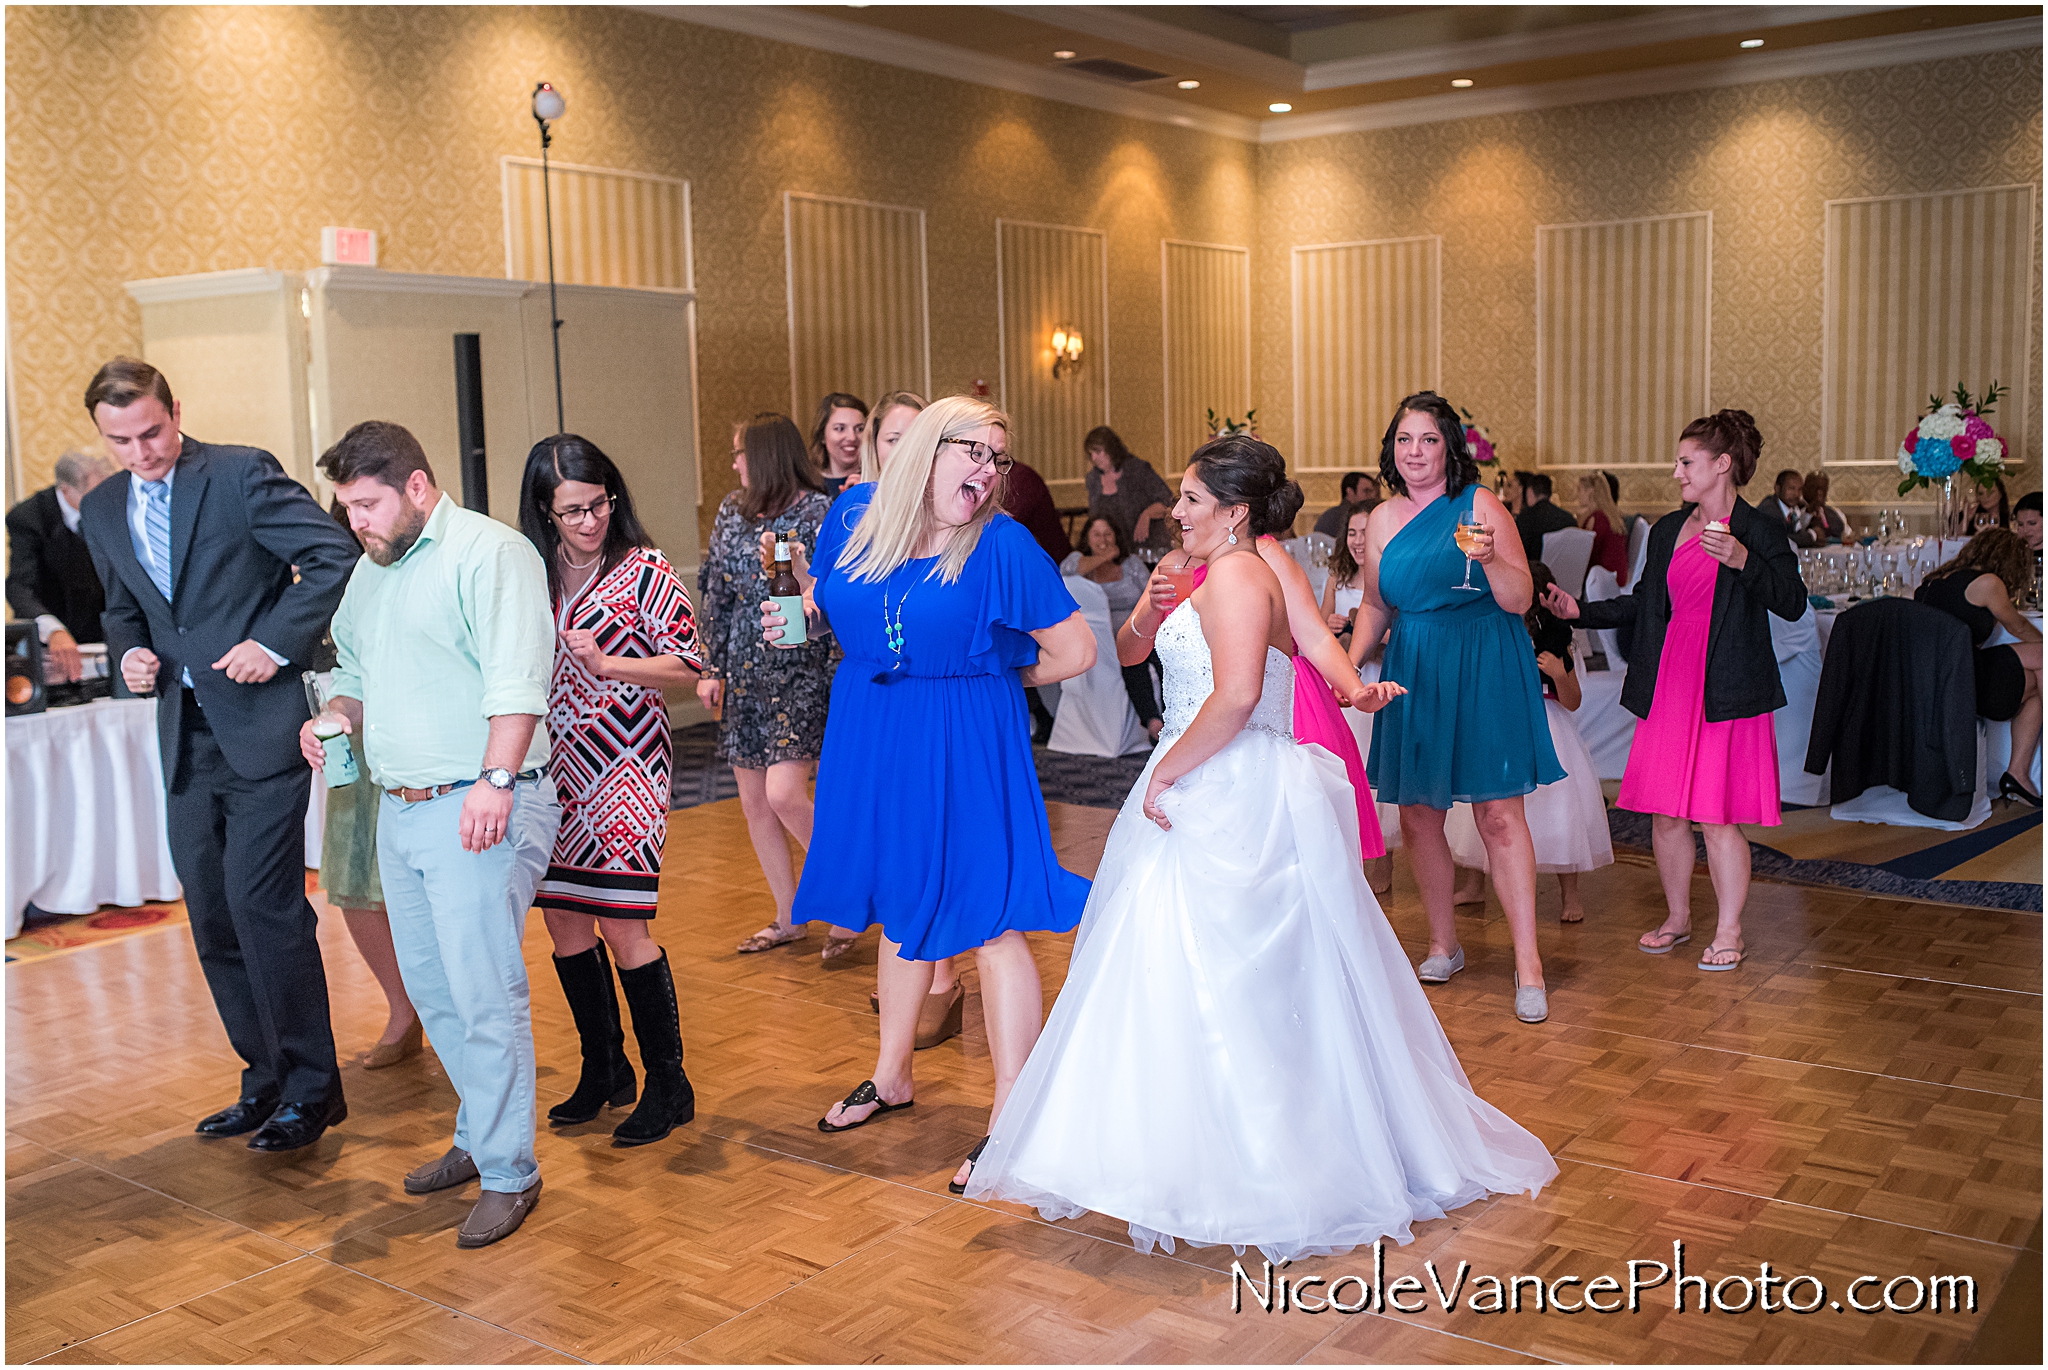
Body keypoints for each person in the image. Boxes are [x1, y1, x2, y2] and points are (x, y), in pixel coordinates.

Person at [966, 435, 1555, 1260]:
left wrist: (1167, 772)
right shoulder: (1193, 566)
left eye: (1193, 499)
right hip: (1197, 775)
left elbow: (1242, 694)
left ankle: (1257, 1163)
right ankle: (1174, 1156)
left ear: (1235, 512)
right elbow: (1139, 651)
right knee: (1167, 974)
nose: (1177, 511)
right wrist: (1150, 606)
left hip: (1227, 785)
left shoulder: (1246, 572)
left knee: (1233, 978)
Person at [763, 395, 1096, 1192]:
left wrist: (993, 674)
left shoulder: (1002, 544)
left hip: (966, 730)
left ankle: (1013, 1112)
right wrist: (803, 624)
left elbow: (1078, 648)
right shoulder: (853, 516)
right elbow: (834, 603)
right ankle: (892, 1075)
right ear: (923, 449)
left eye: (997, 459)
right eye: (973, 451)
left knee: (991, 914)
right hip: (872, 725)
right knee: (904, 900)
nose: (988, 471)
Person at [76, 357, 359, 1152]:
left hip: (263, 731)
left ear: (175, 410)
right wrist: (128, 655)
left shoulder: (238, 475)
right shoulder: (102, 507)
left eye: (152, 432)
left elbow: (330, 559)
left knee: (265, 910)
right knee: (213, 918)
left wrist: (274, 642)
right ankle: (264, 1079)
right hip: (182, 738)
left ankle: (313, 1090)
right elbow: (124, 606)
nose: (141, 453)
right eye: (120, 440)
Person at [310, 419, 562, 1249]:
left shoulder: (492, 554)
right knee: (432, 983)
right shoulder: (371, 571)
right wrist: (335, 718)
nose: (359, 523)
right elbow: (349, 669)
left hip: (483, 799)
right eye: (348, 509)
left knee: (482, 987)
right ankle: (478, 1135)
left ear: (417, 487)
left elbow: (518, 676)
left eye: (369, 505)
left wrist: (494, 780)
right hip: (401, 806)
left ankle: (509, 1172)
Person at [1546, 409, 1806, 973]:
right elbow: (1644, 603)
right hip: (1670, 679)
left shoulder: (1757, 530)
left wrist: (1741, 560)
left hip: (1727, 682)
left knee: (1716, 817)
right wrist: (1579, 611)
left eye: (1686, 462)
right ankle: (1678, 917)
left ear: (1722, 465)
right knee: (1666, 814)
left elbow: (1792, 599)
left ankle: (1730, 929)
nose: (1676, 473)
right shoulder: (1668, 530)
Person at [520, 435, 705, 1147]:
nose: (590, 520)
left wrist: (613, 662)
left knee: (624, 923)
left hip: (626, 767)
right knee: (565, 923)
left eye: (598, 504)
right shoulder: (531, 575)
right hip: (554, 770)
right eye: (572, 511)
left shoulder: (646, 571)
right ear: (545, 512)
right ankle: (605, 1068)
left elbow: (689, 668)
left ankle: (669, 1081)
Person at [1355, 391, 1563, 1024]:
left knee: (1499, 814)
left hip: (1484, 662)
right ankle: (1444, 942)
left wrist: (1492, 557)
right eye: (1403, 441)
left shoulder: (1479, 506)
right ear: (1392, 450)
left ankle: (1529, 964)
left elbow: (1519, 595)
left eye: (1427, 440)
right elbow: (1374, 605)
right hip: (1415, 665)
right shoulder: (1383, 519)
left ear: (1450, 448)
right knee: (1419, 812)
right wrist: (1344, 664)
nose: (1414, 452)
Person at [702, 416, 857, 961]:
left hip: (802, 663)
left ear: (766, 456)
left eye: (741, 452)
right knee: (755, 804)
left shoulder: (818, 512)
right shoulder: (731, 511)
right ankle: (789, 915)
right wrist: (710, 667)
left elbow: (830, 591)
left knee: (785, 793)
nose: (735, 463)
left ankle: (850, 895)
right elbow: (716, 592)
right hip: (745, 665)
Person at [1446, 561, 1614, 924]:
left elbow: (1572, 700)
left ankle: (1570, 893)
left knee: (1559, 810)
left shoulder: (1553, 637)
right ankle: (1475, 882)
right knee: (1484, 806)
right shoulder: (1489, 630)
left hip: (1546, 724)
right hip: (1497, 725)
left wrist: (1557, 672)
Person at [316, 499, 420, 1070]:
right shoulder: (329, 573)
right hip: (347, 735)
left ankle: (442, 1008)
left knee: (425, 887)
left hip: (415, 742)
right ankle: (403, 1009)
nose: (363, 520)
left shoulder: (421, 563)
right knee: (354, 877)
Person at [1914, 527, 2042, 805]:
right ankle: (2019, 772)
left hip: (1935, 678)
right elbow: (2017, 625)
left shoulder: (1933, 581)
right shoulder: (1988, 582)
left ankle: (2018, 774)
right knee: (2043, 657)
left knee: (2033, 685)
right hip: (1963, 679)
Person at [7, 449, 113, 682]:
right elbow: (19, 588)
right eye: (94, 495)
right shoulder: (29, 518)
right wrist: (52, 629)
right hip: (56, 650)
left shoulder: (112, 510)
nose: (104, 503)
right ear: (66, 490)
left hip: (106, 644)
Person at [1062, 516, 1162, 741]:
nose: (1103, 539)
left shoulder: (1132, 564)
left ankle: (1169, 719)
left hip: (1141, 627)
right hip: (1104, 638)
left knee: (1163, 657)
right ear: (1087, 537)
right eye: (1096, 534)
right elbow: (1067, 574)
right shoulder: (1077, 560)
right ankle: (1152, 720)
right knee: (1133, 661)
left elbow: (1149, 595)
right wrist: (1105, 556)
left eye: (1108, 534)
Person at [1083, 425, 1175, 558]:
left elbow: (1167, 500)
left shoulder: (1138, 470)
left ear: (1111, 449)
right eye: (1091, 454)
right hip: (1114, 553)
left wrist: (1147, 514)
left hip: (1148, 551)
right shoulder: (1093, 479)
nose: (1094, 458)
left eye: (1098, 451)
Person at [1319, 502, 1372, 646]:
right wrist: (1330, 625)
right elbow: (1318, 633)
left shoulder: (1391, 581)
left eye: (1365, 533)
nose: (1358, 541)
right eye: (1352, 533)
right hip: (1344, 664)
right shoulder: (1337, 580)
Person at [855, 391, 924, 486]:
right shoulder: (856, 499)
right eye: (893, 440)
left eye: (915, 440)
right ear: (874, 443)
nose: (904, 450)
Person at [809, 392, 868, 498]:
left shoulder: (875, 481)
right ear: (822, 435)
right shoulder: (807, 485)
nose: (852, 437)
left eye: (860, 429)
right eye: (840, 428)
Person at [1513, 472, 1578, 567]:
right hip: (1567, 572)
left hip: (1536, 574)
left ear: (1529, 491)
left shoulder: (1525, 518)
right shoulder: (1569, 519)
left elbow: (1519, 552)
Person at [1575, 472, 1628, 580]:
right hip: (1616, 576)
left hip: (1602, 578)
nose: (1577, 494)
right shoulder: (1609, 516)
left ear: (1589, 492)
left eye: (1579, 489)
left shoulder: (1597, 518)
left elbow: (1587, 554)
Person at [1311, 470, 1376, 539]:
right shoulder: (1334, 518)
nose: (1372, 496)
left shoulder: (1328, 515)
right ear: (1350, 492)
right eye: (1366, 491)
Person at [1799, 471, 1848, 546]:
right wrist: (1808, 512)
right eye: (1814, 487)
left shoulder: (1836, 512)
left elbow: (1847, 535)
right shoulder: (1794, 511)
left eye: (1823, 488)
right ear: (1804, 489)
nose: (1819, 492)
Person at [1760, 468, 1808, 537]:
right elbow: (1783, 538)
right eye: (1791, 488)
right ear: (1777, 489)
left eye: (1800, 489)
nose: (1796, 494)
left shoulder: (1797, 507)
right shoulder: (1768, 510)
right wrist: (1812, 536)